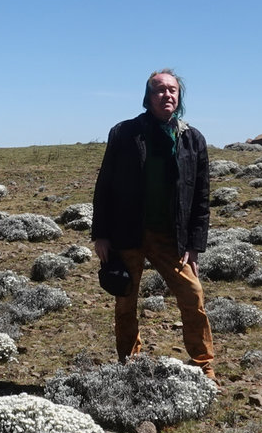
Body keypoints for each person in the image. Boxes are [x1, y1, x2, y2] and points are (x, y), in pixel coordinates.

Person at [91, 69, 215, 376]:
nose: (167, 95)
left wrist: (195, 245)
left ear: (179, 97)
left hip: (170, 236)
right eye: (159, 90)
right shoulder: (124, 133)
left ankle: (204, 366)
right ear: (148, 97)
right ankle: (130, 366)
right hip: (127, 232)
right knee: (125, 301)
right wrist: (101, 234)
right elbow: (104, 184)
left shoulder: (192, 139)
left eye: (172, 90)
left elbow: (201, 197)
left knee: (193, 294)